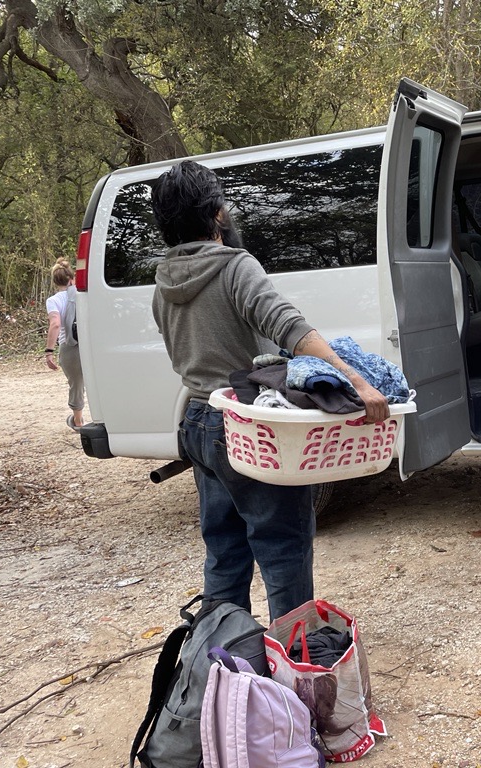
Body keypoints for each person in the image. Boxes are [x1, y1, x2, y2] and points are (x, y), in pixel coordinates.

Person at [150, 160, 389, 622]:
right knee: (282, 546)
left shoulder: (163, 284)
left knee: (224, 552)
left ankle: (222, 664)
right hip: (246, 425)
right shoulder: (235, 266)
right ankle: (296, 673)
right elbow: (290, 327)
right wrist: (356, 378)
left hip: (198, 422)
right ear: (216, 212)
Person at [45, 259, 85, 431]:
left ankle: (78, 421)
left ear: (55, 281)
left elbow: (55, 324)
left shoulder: (53, 301)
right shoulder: (83, 295)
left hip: (70, 347)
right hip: (89, 343)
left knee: (76, 384)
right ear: (71, 279)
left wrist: (49, 351)